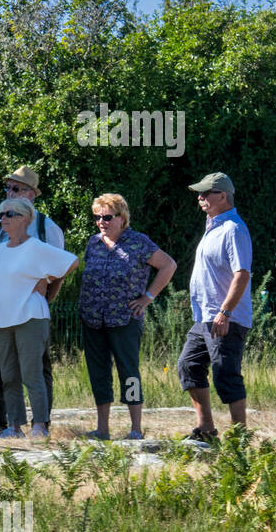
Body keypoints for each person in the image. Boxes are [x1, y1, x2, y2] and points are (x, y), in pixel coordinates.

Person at [79, 194, 177, 440]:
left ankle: (135, 428)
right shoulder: (93, 243)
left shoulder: (139, 242)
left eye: (107, 217)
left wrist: (148, 297)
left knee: (129, 372)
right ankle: (102, 428)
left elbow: (168, 265)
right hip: (93, 318)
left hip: (124, 318)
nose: (102, 222)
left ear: (122, 218)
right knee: (98, 372)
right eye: (97, 217)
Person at [0, 165, 69, 436]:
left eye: (16, 188)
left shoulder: (47, 226)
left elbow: (61, 266)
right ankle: (3, 423)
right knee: (3, 369)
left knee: (37, 369)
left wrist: (46, 291)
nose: (10, 192)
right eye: (8, 188)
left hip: (32, 311)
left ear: (31, 194)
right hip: (3, 310)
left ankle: (42, 423)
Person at [177, 172, 252, 443]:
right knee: (189, 365)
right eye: (199, 193)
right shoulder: (213, 227)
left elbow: (242, 274)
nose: (200, 198)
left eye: (206, 193)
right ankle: (206, 430)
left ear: (223, 196)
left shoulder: (233, 229)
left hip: (225, 318)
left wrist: (225, 311)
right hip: (205, 318)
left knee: (225, 374)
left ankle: (239, 441)